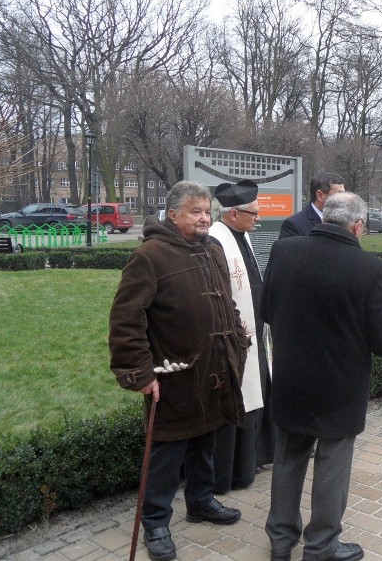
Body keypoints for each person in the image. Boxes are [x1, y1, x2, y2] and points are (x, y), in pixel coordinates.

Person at [109, 180, 248, 561]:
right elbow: (126, 319)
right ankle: (155, 521)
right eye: (195, 212)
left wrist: (237, 339)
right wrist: (141, 374)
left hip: (214, 368)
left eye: (207, 212)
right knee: (166, 453)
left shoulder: (214, 249)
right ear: (173, 215)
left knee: (206, 439)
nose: (204, 218)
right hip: (173, 374)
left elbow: (226, 302)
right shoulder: (150, 256)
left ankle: (200, 500)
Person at [260, 191, 382, 561]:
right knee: (331, 465)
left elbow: (268, 310)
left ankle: (280, 540)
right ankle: (321, 546)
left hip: (292, 378)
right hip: (340, 387)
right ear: (357, 226)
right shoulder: (370, 269)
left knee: (289, 457)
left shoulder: (284, 252)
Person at [209, 179, 273, 493]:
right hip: (233, 337)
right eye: (254, 213)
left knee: (256, 391)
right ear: (234, 214)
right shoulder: (216, 241)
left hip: (254, 332)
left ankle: (252, 460)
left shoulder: (241, 236)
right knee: (239, 396)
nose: (258, 218)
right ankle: (232, 472)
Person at [278, 171, 345, 238]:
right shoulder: (294, 225)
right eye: (339, 194)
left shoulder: (346, 221)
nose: (344, 199)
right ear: (320, 196)